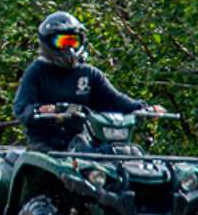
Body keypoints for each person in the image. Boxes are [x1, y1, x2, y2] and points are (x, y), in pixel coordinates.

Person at [12, 11, 163, 150]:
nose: (69, 48)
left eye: (73, 42)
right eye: (62, 42)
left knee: (123, 156)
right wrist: (38, 110)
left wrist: (143, 109)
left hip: (84, 142)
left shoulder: (89, 73)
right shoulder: (37, 71)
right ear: (48, 43)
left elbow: (114, 100)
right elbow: (21, 107)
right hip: (46, 145)